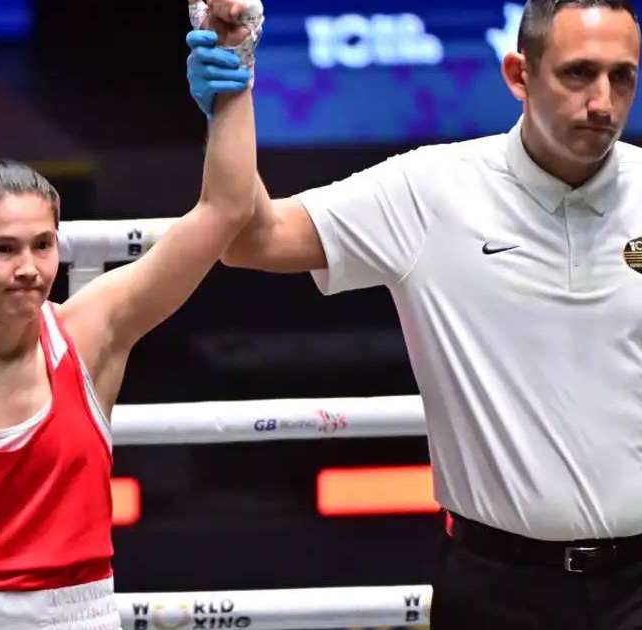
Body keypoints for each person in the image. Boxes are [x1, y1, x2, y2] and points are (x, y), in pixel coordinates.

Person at [185, 0, 642, 627]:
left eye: (623, 76)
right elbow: (248, 238)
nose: (603, 101)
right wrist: (234, 88)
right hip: (495, 587)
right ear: (518, 75)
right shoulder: (432, 190)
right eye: (578, 74)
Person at [0, 12, 263, 628]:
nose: (29, 268)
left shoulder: (91, 335)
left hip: (85, 611)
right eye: (4, 249)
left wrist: (235, 76)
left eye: (43, 245)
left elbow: (225, 210)